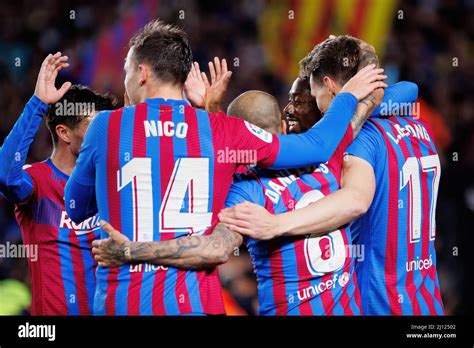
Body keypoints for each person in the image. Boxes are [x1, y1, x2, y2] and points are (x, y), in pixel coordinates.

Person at [64, 20, 387, 316]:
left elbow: (76, 208)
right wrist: (347, 95)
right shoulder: (223, 132)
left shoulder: (107, 126)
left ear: (142, 73)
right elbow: (319, 145)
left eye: (127, 73)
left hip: (124, 302)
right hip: (197, 304)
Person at [219, 44, 445, 317]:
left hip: (380, 301)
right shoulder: (417, 126)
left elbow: (356, 200)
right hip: (426, 298)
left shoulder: (356, 139)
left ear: (329, 87)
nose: (297, 107)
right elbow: (408, 87)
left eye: (310, 96)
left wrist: (275, 224)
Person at [0, 53, 117, 315]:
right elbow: (5, 175)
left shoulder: (111, 185)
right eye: (93, 126)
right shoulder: (38, 182)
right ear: (64, 132)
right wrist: (38, 103)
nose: (103, 135)